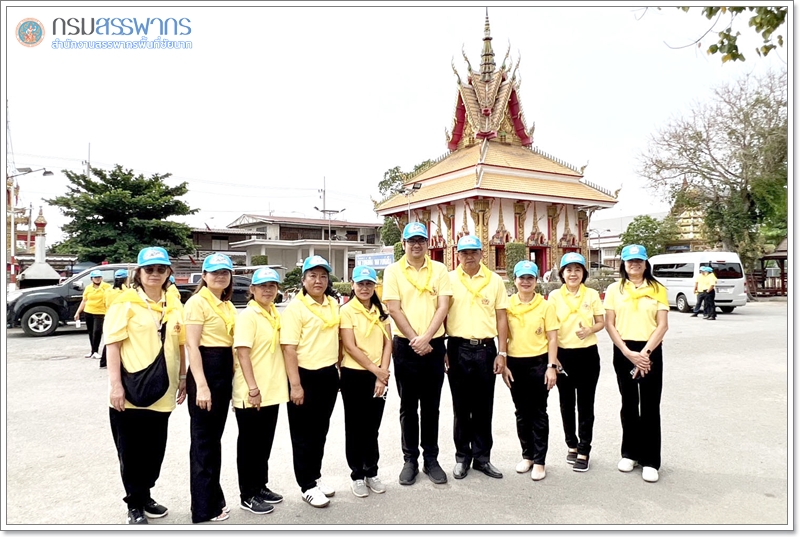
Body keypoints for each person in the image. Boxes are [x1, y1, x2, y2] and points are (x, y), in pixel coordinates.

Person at [104, 247, 187, 524]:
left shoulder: (174, 304)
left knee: (154, 451)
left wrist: (183, 378)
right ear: (138, 273)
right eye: (149, 269)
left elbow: (181, 344)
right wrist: (115, 386)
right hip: (131, 391)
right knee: (131, 452)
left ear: (168, 273)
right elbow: (113, 346)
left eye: (160, 269)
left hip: (163, 391)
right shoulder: (124, 303)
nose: (155, 274)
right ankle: (134, 504)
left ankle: (146, 495)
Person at [382, 222, 452, 486]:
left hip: (434, 346)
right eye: (411, 241)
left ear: (427, 243)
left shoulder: (440, 269)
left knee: (432, 406)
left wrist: (427, 338)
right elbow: (394, 309)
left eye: (421, 240)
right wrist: (415, 339)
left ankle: (431, 459)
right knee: (408, 407)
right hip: (406, 347)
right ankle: (409, 459)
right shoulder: (393, 271)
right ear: (404, 244)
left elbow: (443, 306)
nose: (416, 245)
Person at [603, 244, 669, 483]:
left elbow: (662, 325)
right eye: (630, 261)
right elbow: (610, 323)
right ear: (623, 264)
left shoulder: (657, 288)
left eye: (639, 261)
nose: (634, 265)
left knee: (650, 404)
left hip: (650, 349)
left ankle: (651, 460)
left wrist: (645, 353)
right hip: (624, 349)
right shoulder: (614, 289)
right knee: (628, 402)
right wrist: (628, 352)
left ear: (645, 263)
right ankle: (630, 453)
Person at [445, 235, 508, 480]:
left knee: (484, 407)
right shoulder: (448, 280)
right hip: (457, 347)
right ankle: (462, 457)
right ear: (457, 255)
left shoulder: (494, 281)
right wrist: (443, 351)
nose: (469, 256)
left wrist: (501, 352)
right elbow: (440, 314)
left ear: (482, 254)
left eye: (473, 252)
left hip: (485, 349)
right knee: (461, 407)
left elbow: (502, 317)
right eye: (464, 252)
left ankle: (482, 458)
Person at [280, 255, 341, 508]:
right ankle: (306, 485)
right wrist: (295, 385)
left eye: (323, 276)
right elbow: (289, 348)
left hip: (327, 375)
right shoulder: (296, 308)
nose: (318, 281)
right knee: (303, 434)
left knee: (320, 431)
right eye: (313, 276)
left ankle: (314, 477)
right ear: (303, 280)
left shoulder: (332, 304)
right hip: (303, 376)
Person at [184, 253, 237, 523]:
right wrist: (201, 386)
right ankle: (203, 509)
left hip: (222, 371)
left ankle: (214, 498)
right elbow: (192, 345)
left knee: (213, 441)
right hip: (206, 371)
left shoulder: (225, 304)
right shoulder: (197, 303)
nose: (220, 276)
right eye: (214, 272)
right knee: (203, 441)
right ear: (204, 276)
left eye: (225, 272)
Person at [233, 268, 288, 515]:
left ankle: (260, 486)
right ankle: (248, 494)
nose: (268, 290)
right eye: (262, 286)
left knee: (263, 443)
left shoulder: (273, 312)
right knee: (249, 445)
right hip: (251, 392)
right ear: (252, 290)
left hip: (272, 391)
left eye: (272, 286)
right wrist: (253, 388)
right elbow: (242, 353)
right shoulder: (248, 316)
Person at [502, 261, 560, 482]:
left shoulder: (545, 306)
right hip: (515, 364)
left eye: (530, 278)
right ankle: (527, 455)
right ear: (514, 280)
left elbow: (553, 338)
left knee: (538, 413)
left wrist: (551, 367)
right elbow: (503, 337)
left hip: (538, 363)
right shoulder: (507, 305)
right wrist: (505, 363)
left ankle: (540, 460)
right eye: (521, 277)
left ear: (537, 280)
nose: (526, 282)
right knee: (521, 412)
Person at [547, 253, 605, 472]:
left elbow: (601, 322)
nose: (573, 274)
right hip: (563, 356)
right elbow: (549, 329)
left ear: (584, 274)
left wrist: (590, 329)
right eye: (568, 270)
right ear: (562, 273)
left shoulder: (591, 295)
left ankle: (584, 449)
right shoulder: (553, 296)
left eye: (577, 270)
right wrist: (554, 360)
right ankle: (571, 444)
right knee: (566, 403)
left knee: (586, 404)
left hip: (587, 355)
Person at [339, 265, 392, 498]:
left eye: (369, 284)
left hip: (378, 374)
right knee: (355, 427)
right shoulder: (347, 311)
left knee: (372, 427)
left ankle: (372, 471)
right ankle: (357, 475)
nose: (364, 288)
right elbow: (349, 346)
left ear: (374, 286)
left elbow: (388, 343)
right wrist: (376, 371)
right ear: (352, 285)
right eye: (360, 284)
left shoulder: (382, 312)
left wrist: (383, 372)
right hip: (354, 375)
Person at [75, 270, 111, 359]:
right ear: (92, 279)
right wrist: (78, 312)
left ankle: (95, 350)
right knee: (91, 332)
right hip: (89, 311)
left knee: (97, 331)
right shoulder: (88, 288)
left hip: (101, 312)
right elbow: (84, 300)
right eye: (95, 277)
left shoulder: (107, 287)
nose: (97, 279)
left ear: (102, 278)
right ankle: (93, 351)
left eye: (99, 277)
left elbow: (111, 299)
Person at [98, 269, 130, 369]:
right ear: (125, 279)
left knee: (110, 340)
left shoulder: (108, 290)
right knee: (121, 340)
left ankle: (103, 362)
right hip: (121, 317)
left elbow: (104, 303)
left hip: (109, 317)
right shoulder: (126, 292)